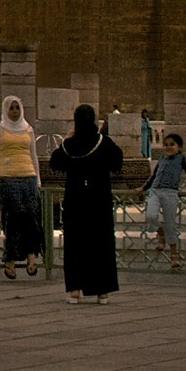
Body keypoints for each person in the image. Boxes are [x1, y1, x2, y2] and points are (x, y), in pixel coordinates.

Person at [50, 103, 124, 304]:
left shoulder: (69, 145)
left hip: (76, 200)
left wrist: (68, 138)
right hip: (98, 199)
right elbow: (118, 162)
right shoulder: (104, 142)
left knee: (76, 244)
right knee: (101, 243)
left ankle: (75, 289)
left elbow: (54, 162)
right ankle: (102, 291)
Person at [0, 95, 44, 279]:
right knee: (12, 220)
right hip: (8, 178)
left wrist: (38, 180)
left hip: (28, 177)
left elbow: (33, 156)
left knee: (31, 219)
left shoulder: (28, 130)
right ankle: (10, 261)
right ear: (5, 110)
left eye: (17, 108)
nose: (14, 111)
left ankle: (32, 257)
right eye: (11, 108)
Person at [143, 132, 186, 269]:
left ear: (179, 147)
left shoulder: (181, 159)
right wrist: (143, 187)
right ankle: (159, 232)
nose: (168, 147)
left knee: (170, 224)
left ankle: (174, 254)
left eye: (172, 145)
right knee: (150, 215)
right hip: (155, 191)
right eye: (166, 145)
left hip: (170, 193)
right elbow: (154, 176)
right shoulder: (162, 159)